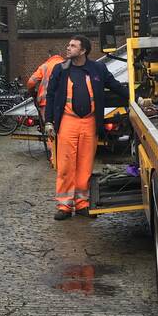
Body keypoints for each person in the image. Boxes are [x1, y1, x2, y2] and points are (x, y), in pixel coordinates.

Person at [44, 35, 126, 220]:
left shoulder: (97, 69)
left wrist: (134, 97)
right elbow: (50, 96)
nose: (68, 48)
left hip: (89, 122)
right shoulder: (60, 69)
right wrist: (49, 121)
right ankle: (64, 206)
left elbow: (115, 86)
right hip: (67, 121)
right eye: (68, 45)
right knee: (66, 165)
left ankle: (82, 204)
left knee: (85, 165)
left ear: (83, 51)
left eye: (72, 46)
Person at [27, 47, 65, 123]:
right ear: (60, 54)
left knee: (48, 126)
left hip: (45, 101)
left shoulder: (44, 66)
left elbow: (31, 82)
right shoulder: (67, 66)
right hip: (63, 101)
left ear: (49, 55)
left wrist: (32, 92)